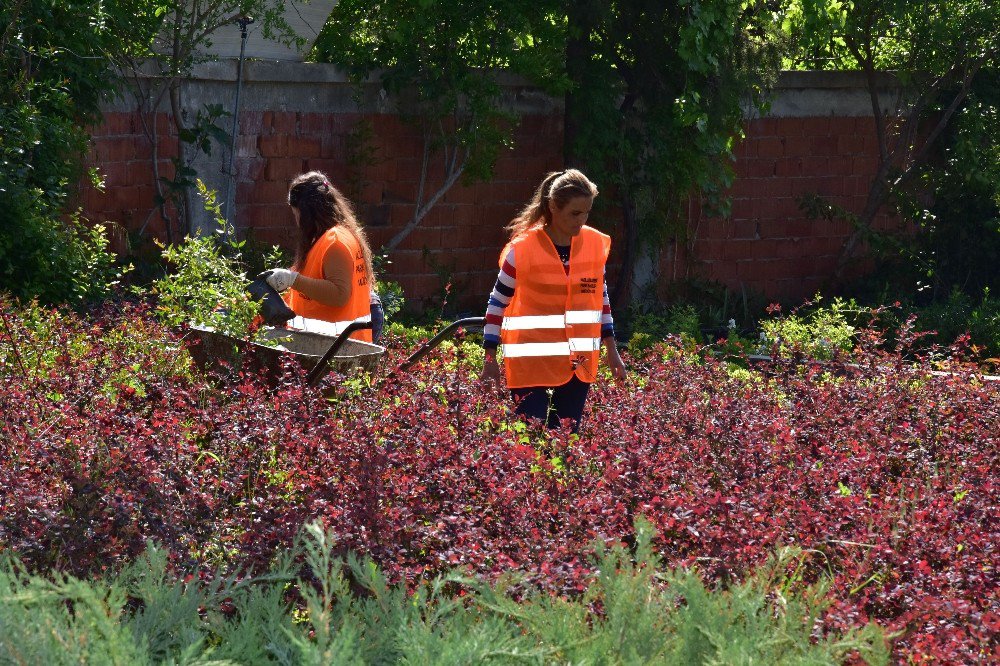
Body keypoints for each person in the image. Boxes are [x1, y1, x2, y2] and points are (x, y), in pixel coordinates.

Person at [480, 169, 626, 431]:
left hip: (578, 365)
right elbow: (496, 304)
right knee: (528, 447)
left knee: (565, 444)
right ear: (552, 207)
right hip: (530, 366)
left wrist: (612, 351)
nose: (581, 221)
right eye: (574, 213)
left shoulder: (593, 245)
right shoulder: (522, 251)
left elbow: (601, 301)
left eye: (587, 212)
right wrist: (489, 360)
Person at [260, 171, 383, 344]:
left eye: (297, 214)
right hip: (333, 345)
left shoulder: (336, 242)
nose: (297, 222)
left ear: (307, 213)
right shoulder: (325, 239)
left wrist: (292, 280)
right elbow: (307, 282)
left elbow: (339, 294)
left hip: (338, 346)